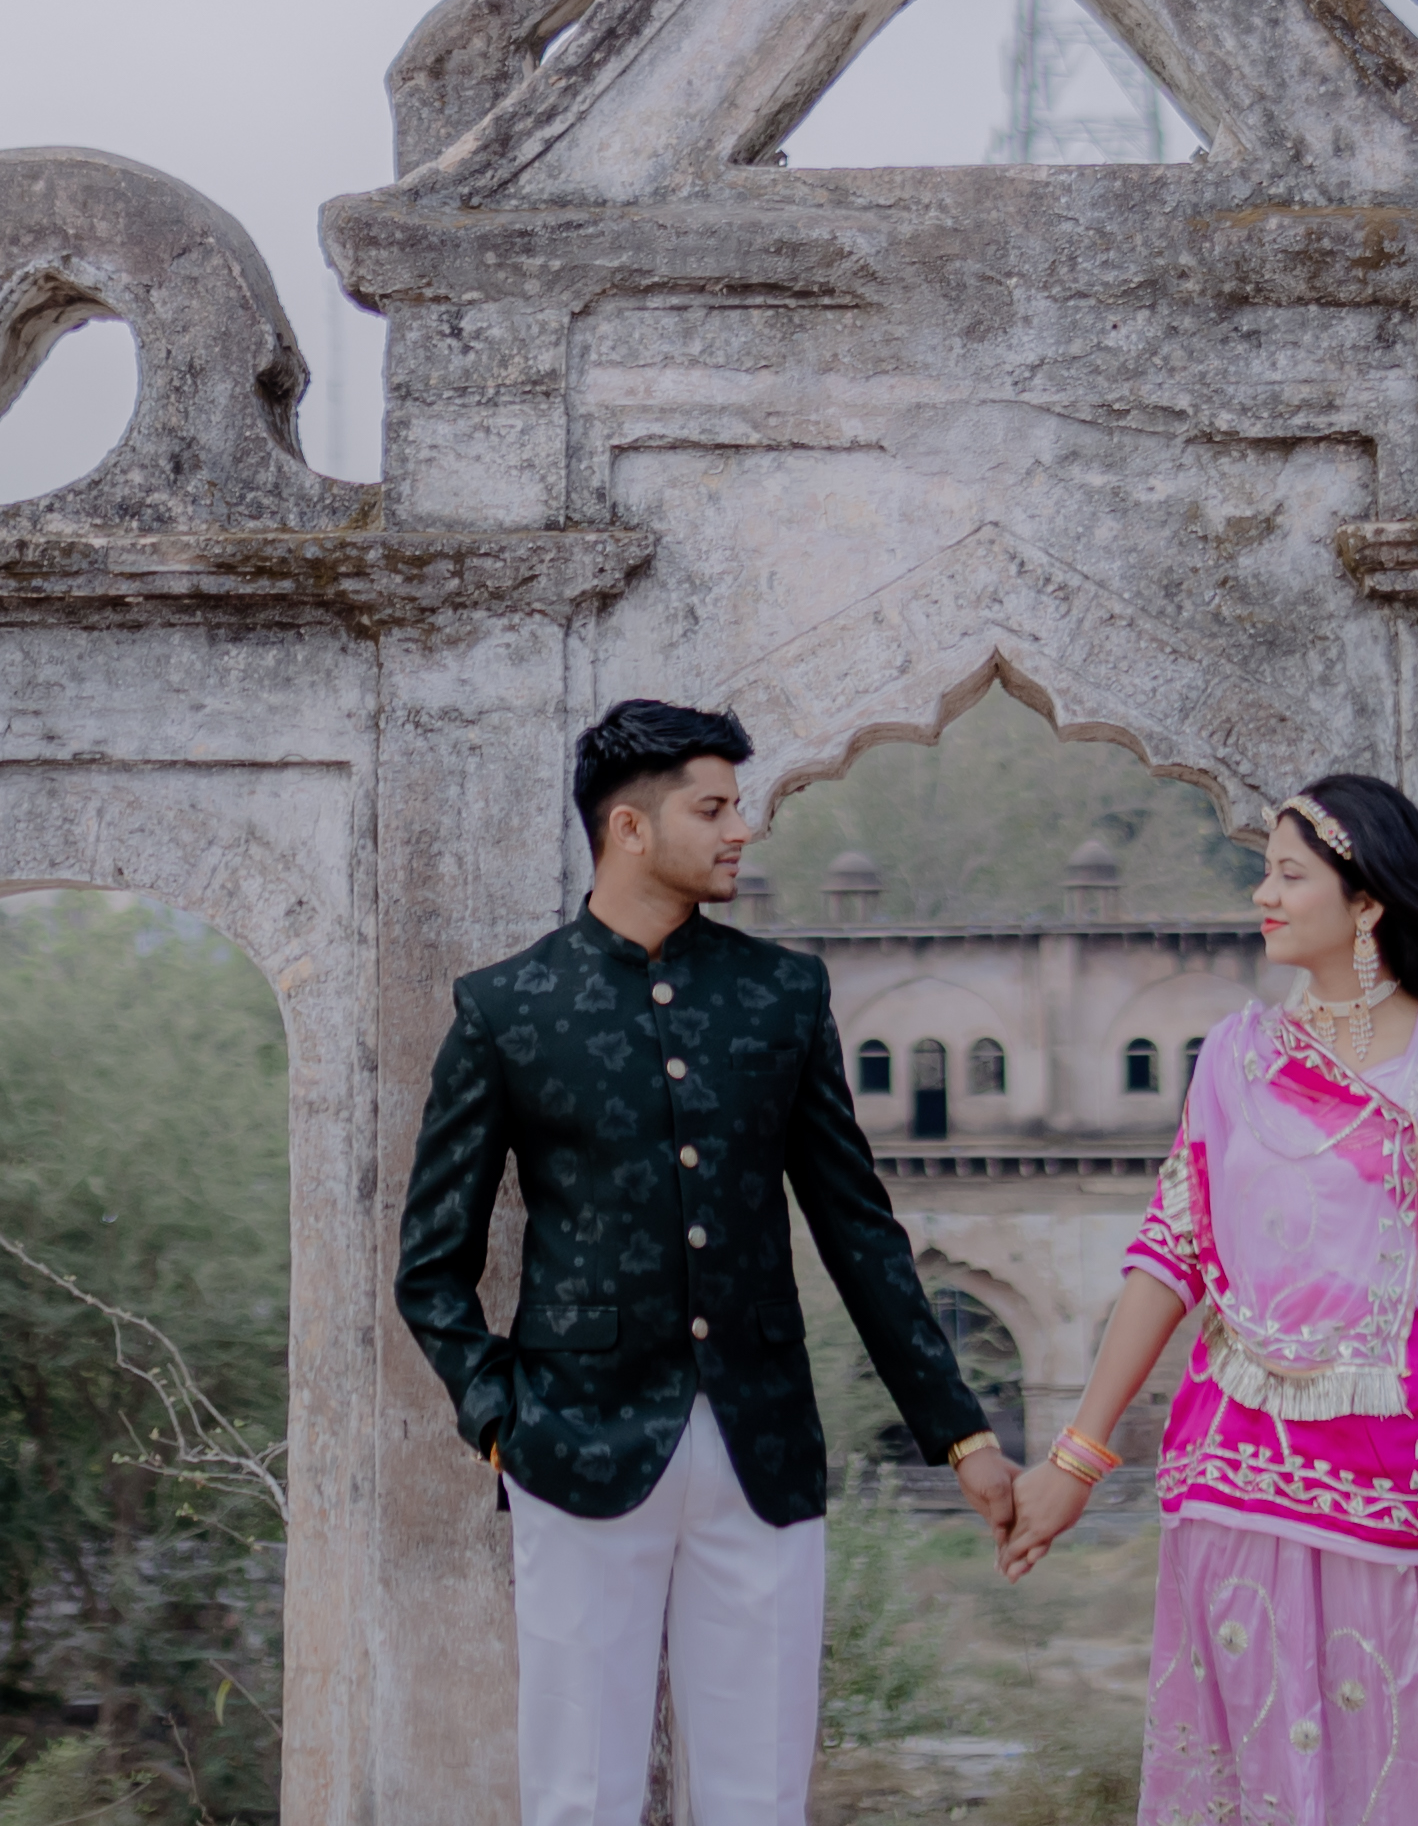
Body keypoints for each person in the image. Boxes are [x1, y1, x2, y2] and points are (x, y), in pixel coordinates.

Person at [400, 699, 1026, 1826]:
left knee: (757, 1793)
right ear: (631, 828)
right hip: (573, 1445)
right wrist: (503, 1420)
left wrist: (960, 1432)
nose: (742, 828)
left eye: (737, 805)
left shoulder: (781, 994)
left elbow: (858, 1228)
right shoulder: (508, 1008)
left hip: (764, 1444)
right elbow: (431, 1264)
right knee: (577, 1794)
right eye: (715, 806)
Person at [995, 772, 1418, 1826]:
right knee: (1256, 1782)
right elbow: (1170, 1257)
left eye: (1289, 873)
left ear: (1369, 902)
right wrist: (1077, 1459)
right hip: (1232, 1478)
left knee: (1417, 1778)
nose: (1263, 893)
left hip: (1403, 1495)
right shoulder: (1235, 1058)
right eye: (1264, 870)